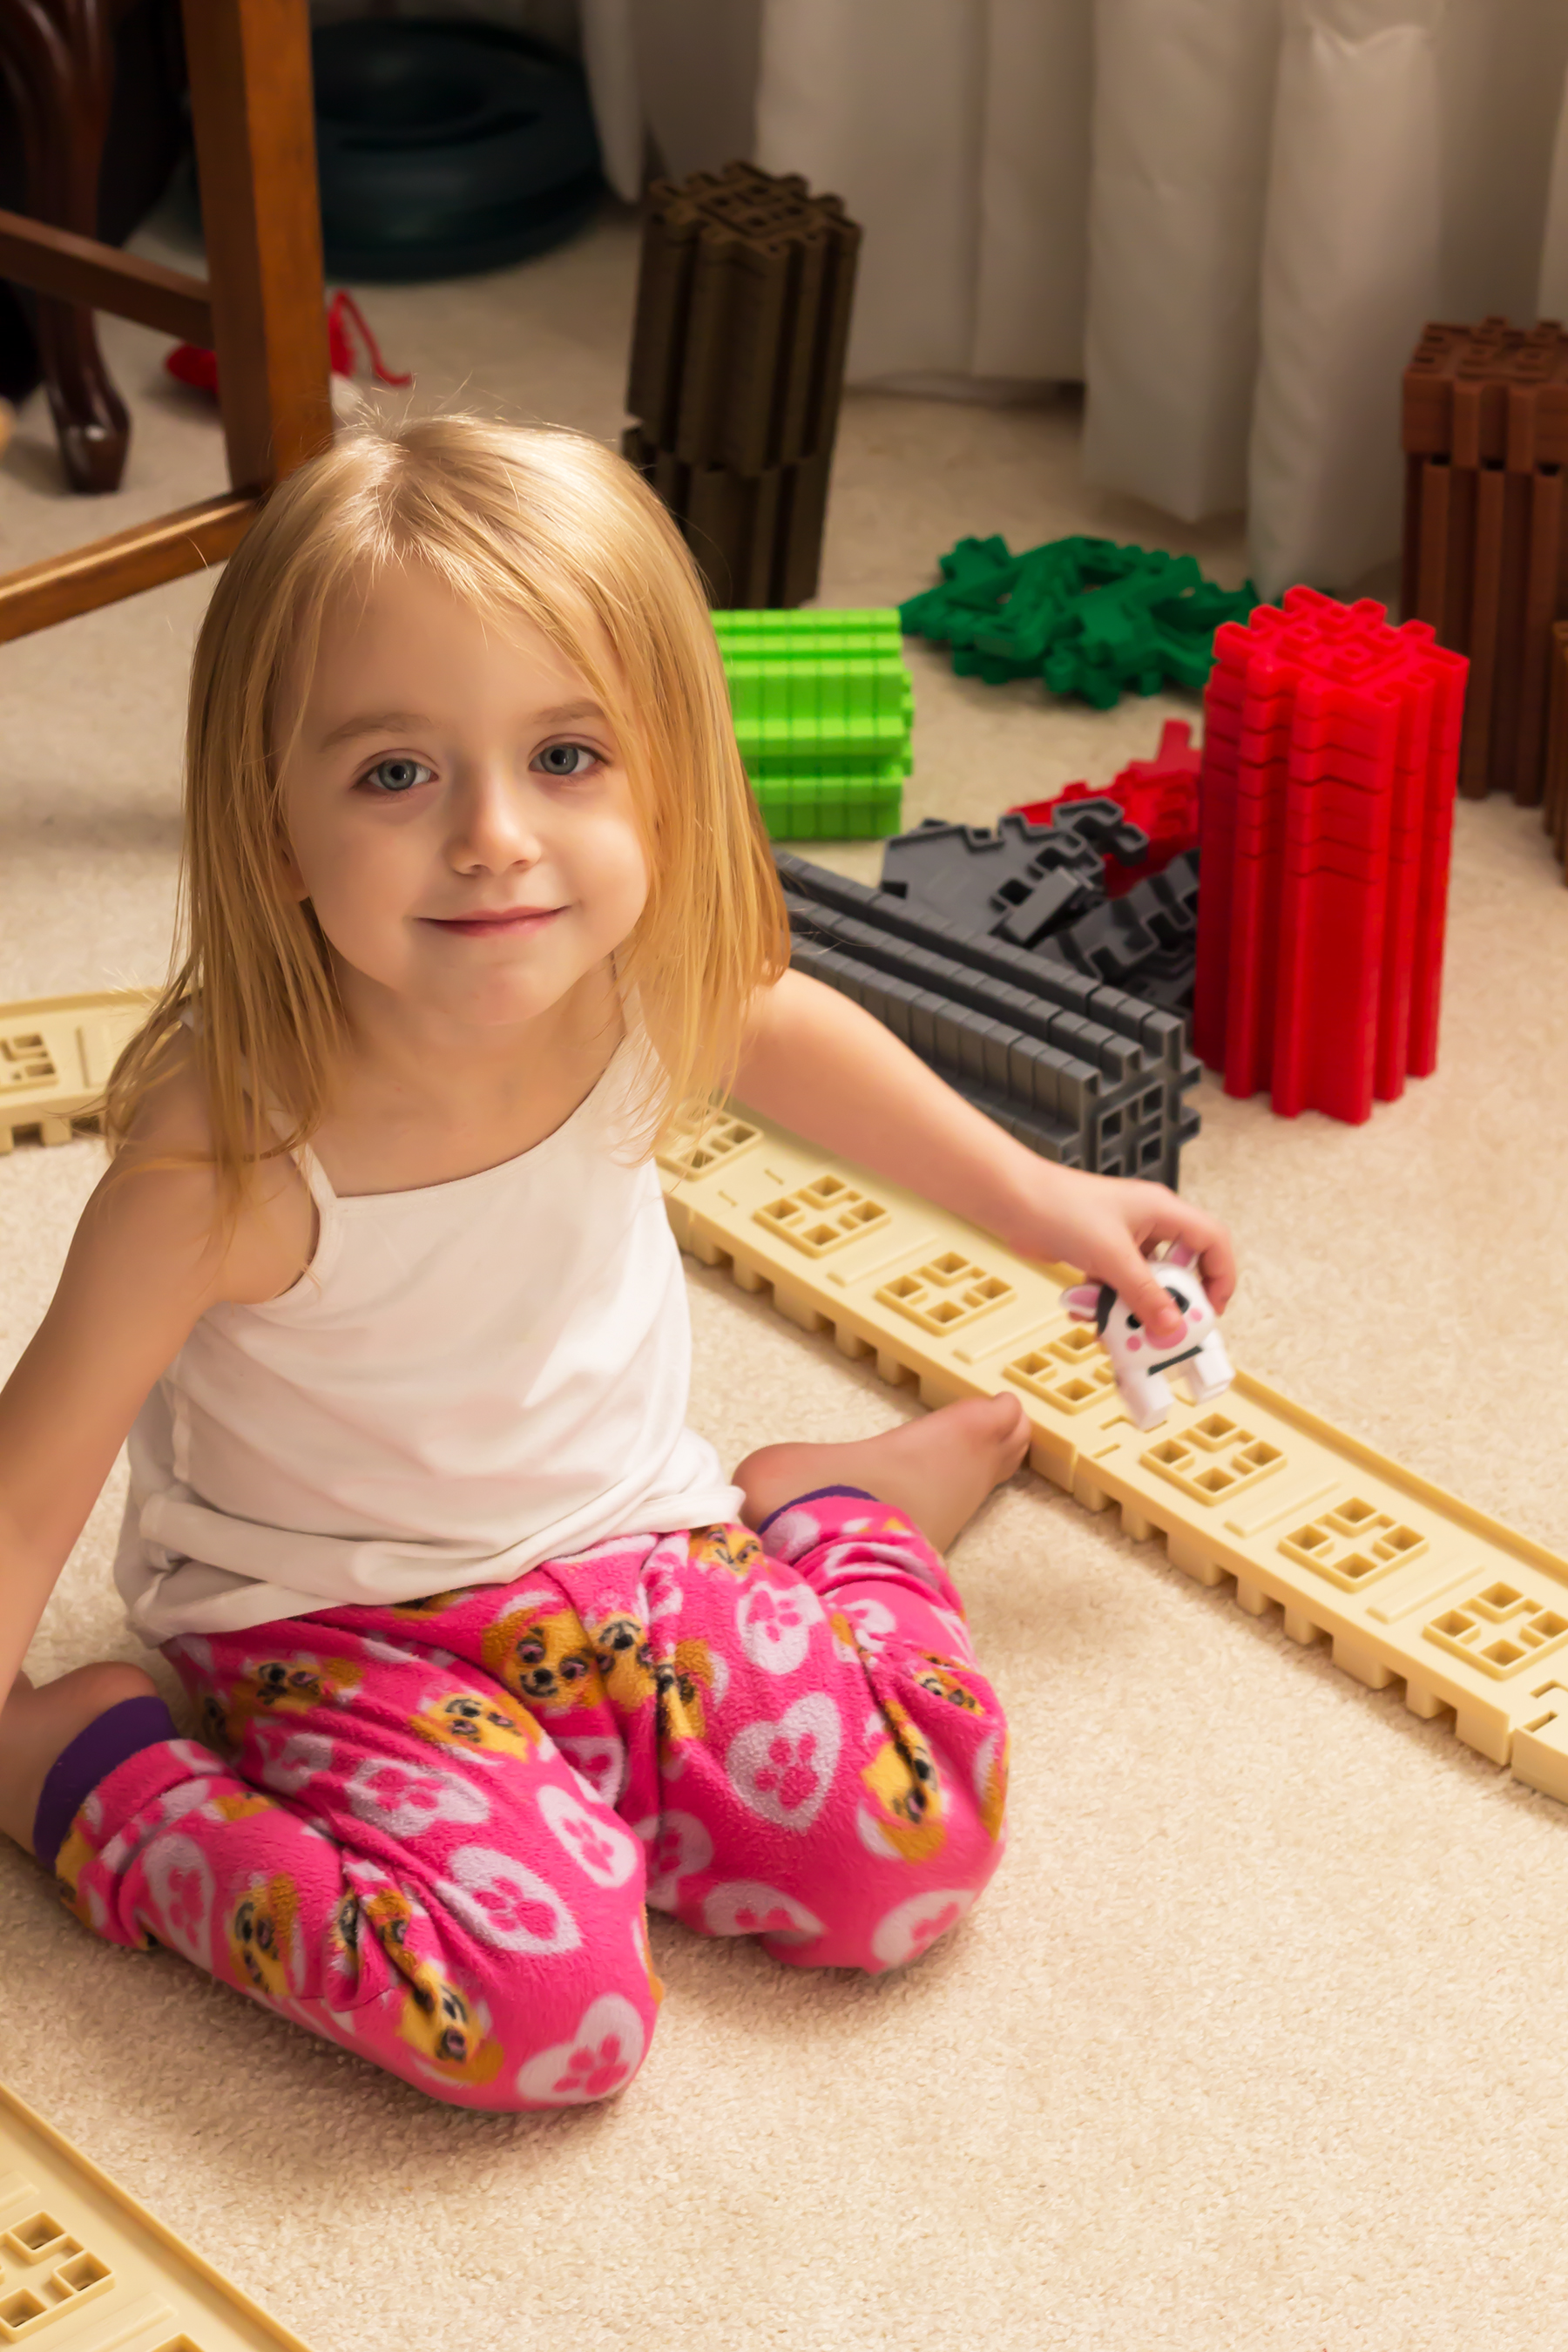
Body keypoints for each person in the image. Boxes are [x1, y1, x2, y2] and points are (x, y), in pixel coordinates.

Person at [0, 416, 1234, 2108]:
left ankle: (836, 1510)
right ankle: (86, 1773)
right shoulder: (221, 1157)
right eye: (393, 772)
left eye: (568, 757)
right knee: (542, 2014)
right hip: (334, 1624)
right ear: (269, 824)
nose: (496, 837)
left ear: (662, 768)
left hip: (635, 1539)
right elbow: (26, 1490)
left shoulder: (629, 981)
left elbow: (785, 1027)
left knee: (915, 1854)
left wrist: (1045, 1199)